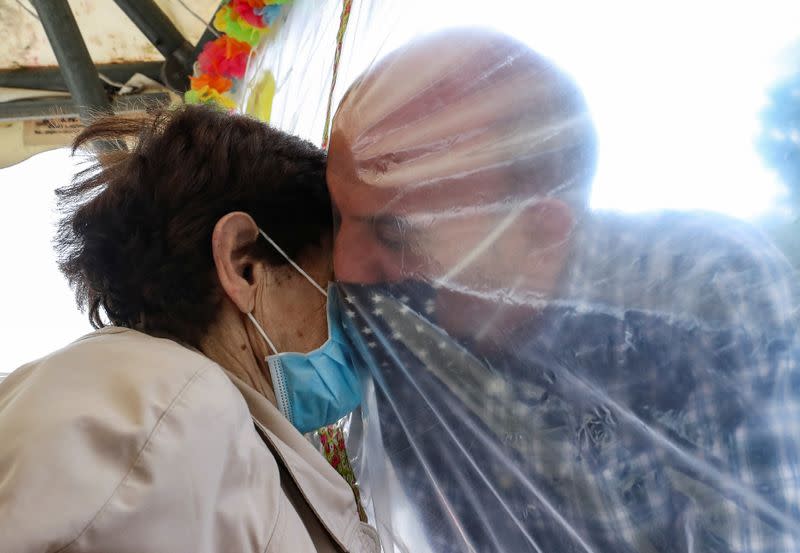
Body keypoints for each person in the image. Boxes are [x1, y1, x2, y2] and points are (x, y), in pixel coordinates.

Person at [327, 28, 800, 552]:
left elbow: (765, 533)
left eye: (396, 233)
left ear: (539, 230)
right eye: (334, 216)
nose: (344, 268)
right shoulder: (390, 322)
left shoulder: (704, 291)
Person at [0, 106, 379, 553]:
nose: (360, 324)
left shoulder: (202, 415)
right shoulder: (167, 409)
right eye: (336, 289)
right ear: (243, 266)